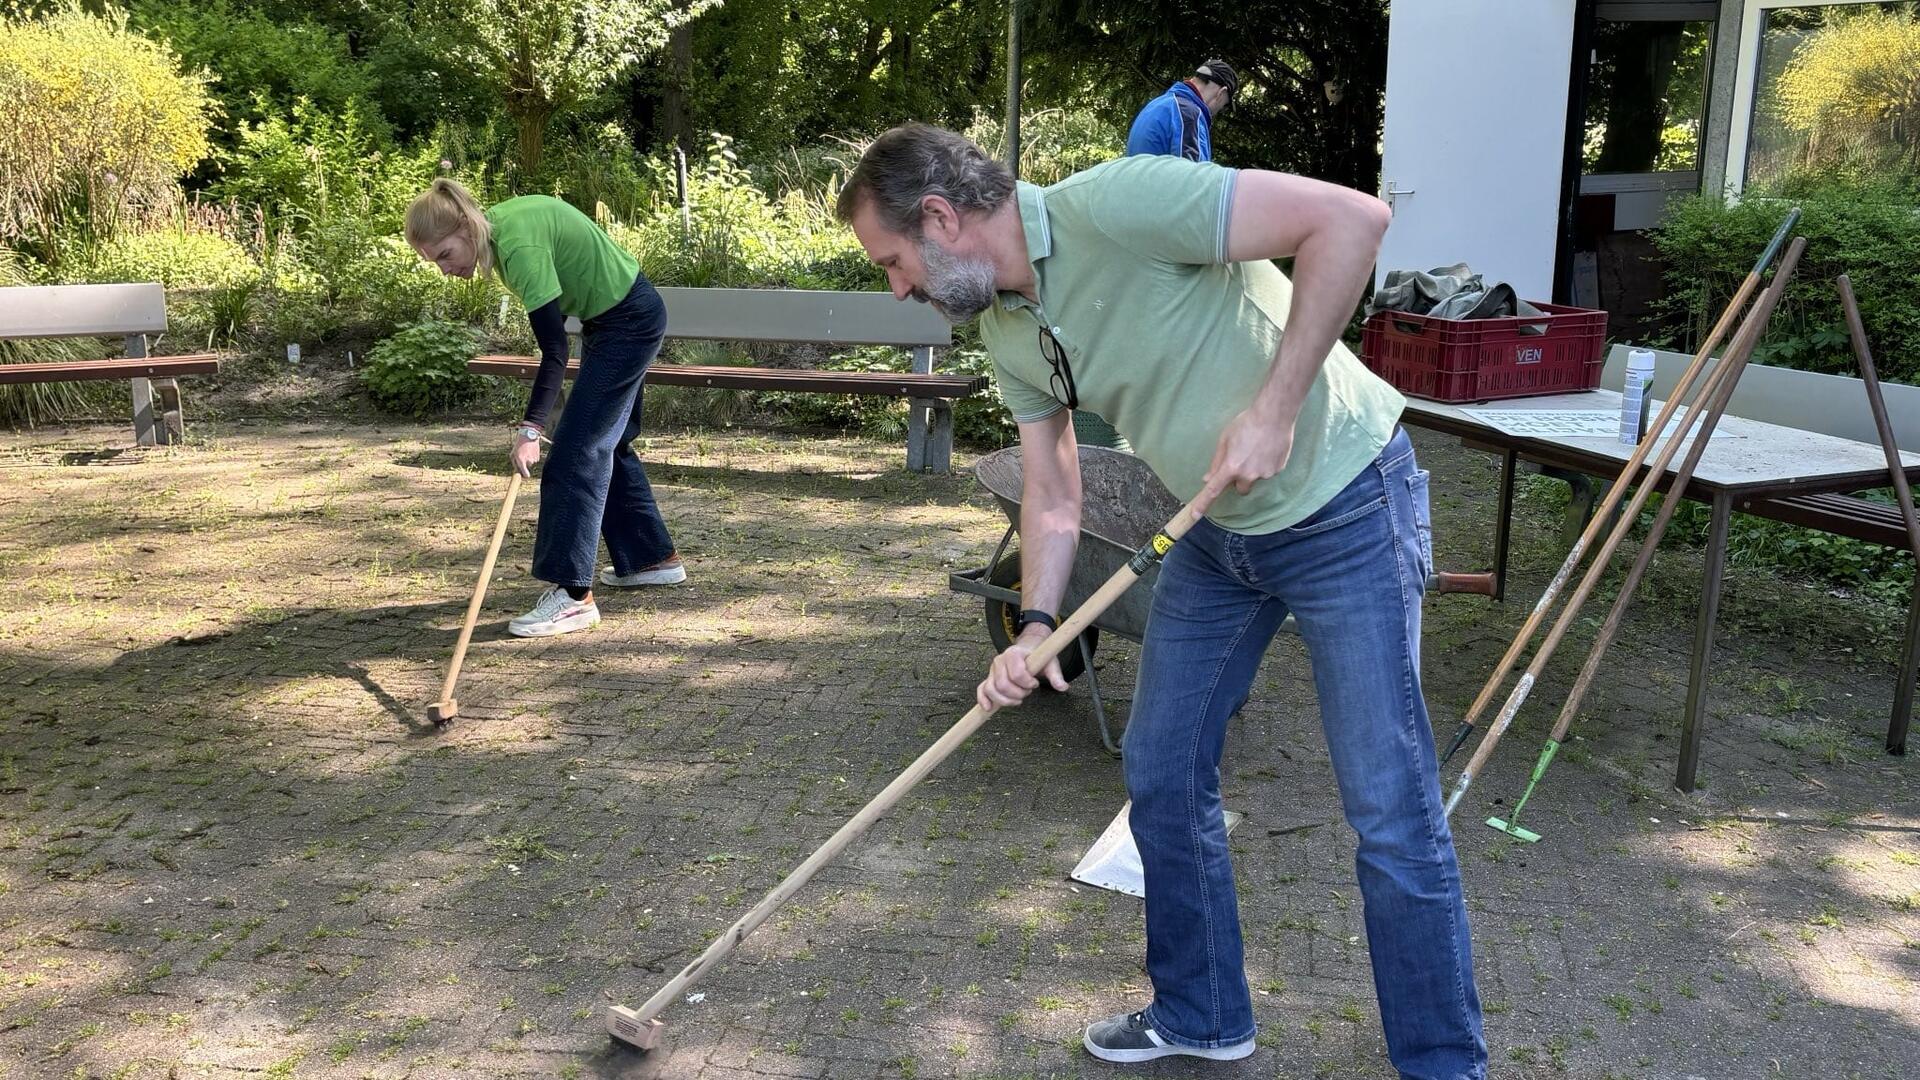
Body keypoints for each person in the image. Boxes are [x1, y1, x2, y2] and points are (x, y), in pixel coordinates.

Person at [835, 125, 1486, 1079]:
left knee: (1388, 806)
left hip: (1344, 502)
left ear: (939, 219)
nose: (897, 287)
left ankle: (1441, 1064)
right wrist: (1038, 624)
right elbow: (1056, 495)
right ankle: (1203, 1011)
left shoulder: (1122, 202)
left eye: (893, 262)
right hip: (1215, 534)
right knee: (1162, 767)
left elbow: (1352, 220)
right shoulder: (1010, 328)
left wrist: (1276, 405)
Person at [406, 179, 686, 638]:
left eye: (444, 254)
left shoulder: (517, 246)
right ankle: (651, 559)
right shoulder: (500, 230)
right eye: (433, 261)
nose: (444, 269)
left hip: (628, 321)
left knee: (575, 454)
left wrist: (532, 429)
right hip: (615, 318)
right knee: (604, 445)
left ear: (464, 225)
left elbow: (554, 350)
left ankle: (574, 598)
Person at [1125, 59, 1237, 162]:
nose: (1219, 110)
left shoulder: (1157, 104)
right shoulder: (1188, 114)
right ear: (1221, 93)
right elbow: (1194, 177)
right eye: (1224, 105)